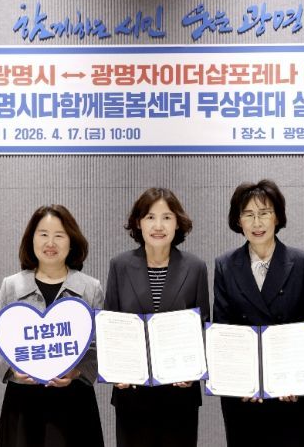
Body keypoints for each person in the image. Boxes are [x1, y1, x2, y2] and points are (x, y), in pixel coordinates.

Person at [213, 179, 304, 447]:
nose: (257, 223)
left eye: (264, 213)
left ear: (277, 217)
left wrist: (292, 375)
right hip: (242, 393)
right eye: (248, 215)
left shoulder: (303, 262)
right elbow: (223, 329)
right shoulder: (225, 265)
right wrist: (245, 381)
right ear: (238, 220)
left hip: (289, 389)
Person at [0, 204, 104, 447]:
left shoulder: (90, 287)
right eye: (43, 234)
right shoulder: (11, 285)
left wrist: (77, 371)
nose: (50, 243)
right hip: (23, 401)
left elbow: (100, 345)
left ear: (71, 241)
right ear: (31, 239)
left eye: (59, 235)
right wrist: (13, 370)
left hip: (74, 402)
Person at [105, 187, 210, 447]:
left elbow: (203, 328)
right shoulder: (119, 266)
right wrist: (115, 370)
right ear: (138, 223)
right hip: (132, 393)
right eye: (150, 217)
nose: (158, 226)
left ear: (178, 223)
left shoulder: (195, 267)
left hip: (179, 393)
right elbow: (110, 327)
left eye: (167, 217)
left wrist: (195, 369)